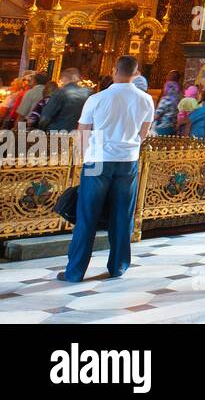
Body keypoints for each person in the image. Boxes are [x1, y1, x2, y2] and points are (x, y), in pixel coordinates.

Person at [61, 55, 155, 283]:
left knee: (87, 216)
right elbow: (143, 133)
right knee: (123, 215)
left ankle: (74, 272)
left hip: (98, 161)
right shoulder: (146, 100)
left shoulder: (97, 98)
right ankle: (118, 266)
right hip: (128, 161)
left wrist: (88, 156)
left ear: (114, 71)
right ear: (137, 73)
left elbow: (83, 131)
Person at [38, 68, 91, 132]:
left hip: (57, 133)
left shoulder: (60, 93)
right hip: (78, 134)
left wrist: (42, 129)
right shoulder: (87, 93)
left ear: (64, 78)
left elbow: (45, 117)